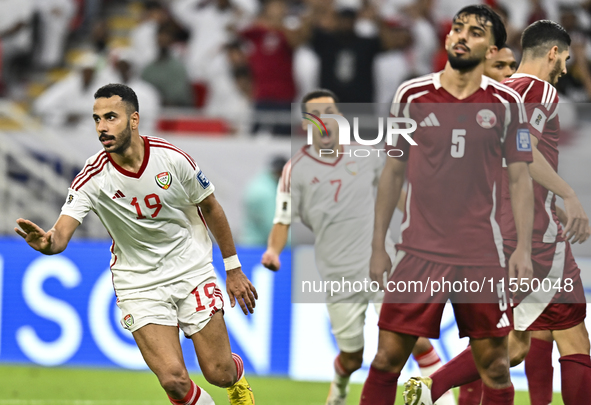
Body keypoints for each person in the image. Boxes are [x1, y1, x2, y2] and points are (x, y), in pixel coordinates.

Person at [15, 83, 257, 405]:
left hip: (191, 268)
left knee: (219, 373)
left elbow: (211, 206)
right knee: (173, 380)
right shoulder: (92, 177)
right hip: (139, 282)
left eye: (111, 117)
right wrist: (46, 242)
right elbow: (59, 236)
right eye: (97, 119)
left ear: (134, 119)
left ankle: (236, 378)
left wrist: (233, 269)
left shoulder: (172, 159)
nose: (102, 127)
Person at [361, 5, 535, 405]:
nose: (462, 36)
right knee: (387, 358)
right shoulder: (413, 94)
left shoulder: (507, 104)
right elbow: (392, 173)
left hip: (482, 253)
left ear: (492, 51)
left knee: (494, 365)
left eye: (475, 32)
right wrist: (377, 245)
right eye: (457, 28)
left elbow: (520, 179)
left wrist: (522, 249)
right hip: (419, 249)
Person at [412, 20, 591, 405]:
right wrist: (568, 194)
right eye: (565, 60)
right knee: (575, 336)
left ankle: (430, 387)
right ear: (554, 53)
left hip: (489, 232)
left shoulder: (494, 94)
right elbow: (525, 151)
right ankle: (434, 387)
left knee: (515, 343)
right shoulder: (538, 89)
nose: (564, 70)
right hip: (533, 234)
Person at [262, 89, 456, 405]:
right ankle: (339, 383)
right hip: (338, 275)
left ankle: (441, 397)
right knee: (352, 357)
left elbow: (397, 193)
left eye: (329, 111)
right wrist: (273, 251)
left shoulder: (368, 154)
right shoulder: (294, 171)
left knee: (416, 338)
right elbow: (282, 221)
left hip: (383, 263)